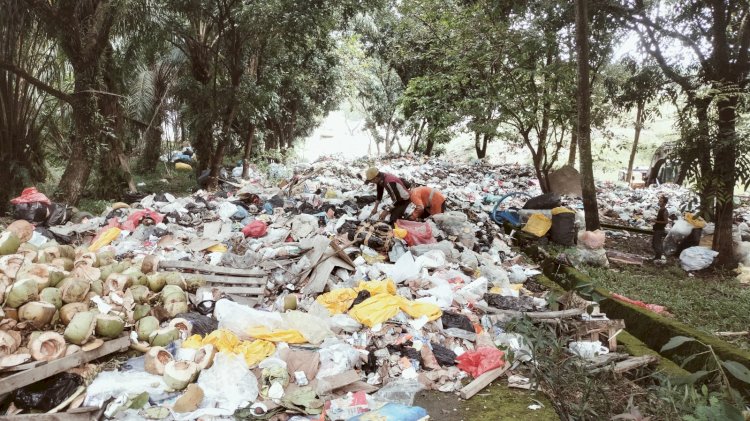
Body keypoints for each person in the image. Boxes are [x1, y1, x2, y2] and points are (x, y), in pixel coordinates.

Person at [652, 196, 669, 262]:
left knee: (657, 244)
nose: (659, 202)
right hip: (657, 229)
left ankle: (658, 258)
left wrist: (656, 221)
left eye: (661, 201)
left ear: (664, 203)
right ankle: (657, 257)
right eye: (659, 201)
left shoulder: (665, 211)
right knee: (654, 243)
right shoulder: (661, 210)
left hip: (660, 230)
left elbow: (666, 221)